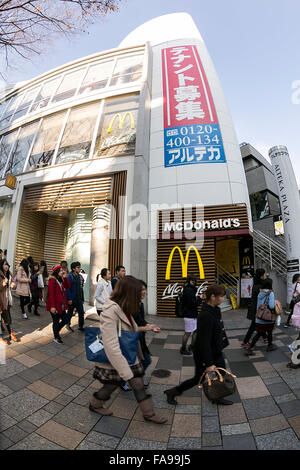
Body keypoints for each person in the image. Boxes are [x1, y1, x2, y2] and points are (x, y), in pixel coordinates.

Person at [89, 275, 167, 423]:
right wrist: (125, 372)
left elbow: (128, 328)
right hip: (116, 358)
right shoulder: (110, 310)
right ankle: (95, 404)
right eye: (138, 292)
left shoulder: (124, 306)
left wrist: (146, 327)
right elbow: (111, 344)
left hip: (128, 355)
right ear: (128, 292)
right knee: (112, 385)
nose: (141, 295)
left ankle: (149, 414)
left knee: (137, 384)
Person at [164, 285, 233, 406]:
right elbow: (204, 342)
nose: (223, 299)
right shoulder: (205, 315)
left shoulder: (215, 309)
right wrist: (209, 363)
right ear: (212, 297)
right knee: (198, 379)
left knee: (221, 374)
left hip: (215, 350)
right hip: (204, 353)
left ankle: (218, 396)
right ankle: (173, 392)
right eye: (221, 296)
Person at [134, 280, 161, 386]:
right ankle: (126, 381)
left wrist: (151, 325)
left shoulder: (140, 304)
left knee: (144, 360)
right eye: (142, 290)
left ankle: (137, 378)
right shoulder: (131, 306)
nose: (144, 292)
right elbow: (131, 327)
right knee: (145, 360)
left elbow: (141, 321)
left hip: (140, 338)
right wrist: (148, 328)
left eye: (145, 289)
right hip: (133, 339)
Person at [245, 278, 277, 355]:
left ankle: (250, 348)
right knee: (269, 332)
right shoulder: (270, 293)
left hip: (259, 318)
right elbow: (272, 306)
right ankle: (270, 346)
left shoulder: (260, 293)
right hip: (268, 318)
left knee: (259, 333)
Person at [242, 268, 267, 346]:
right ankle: (245, 342)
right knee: (254, 326)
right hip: (257, 309)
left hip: (256, 308)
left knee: (257, 324)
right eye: (264, 274)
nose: (265, 275)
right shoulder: (260, 286)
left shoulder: (256, 285)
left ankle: (264, 337)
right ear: (261, 276)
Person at [47, 264, 71, 344]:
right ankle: (56, 337)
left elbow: (68, 286)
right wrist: (53, 306)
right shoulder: (52, 281)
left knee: (65, 320)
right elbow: (51, 295)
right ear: (56, 272)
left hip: (61, 305)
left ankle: (56, 331)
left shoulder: (61, 280)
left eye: (62, 270)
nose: (62, 271)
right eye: (60, 270)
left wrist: (65, 278)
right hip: (54, 306)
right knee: (56, 321)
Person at [180, 274, 202, 356]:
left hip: (190, 314)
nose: (195, 283)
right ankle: (183, 349)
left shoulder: (188, 289)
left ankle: (191, 346)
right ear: (190, 281)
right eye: (194, 281)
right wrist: (200, 299)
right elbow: (192, 304)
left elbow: (191, 301)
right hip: (190, 315)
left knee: (195, 331)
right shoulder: (189, 290)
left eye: (195, 281)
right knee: (188, 333)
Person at [0, 259, 18, 344]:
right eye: (4, 264)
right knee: (6, 317)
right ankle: (9, 334)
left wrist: (13, 285)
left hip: (8, 299)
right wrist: (3, 283)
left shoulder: (9, 274)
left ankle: (9, 333)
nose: (6, 266)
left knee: (6, 317)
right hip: (1, 299)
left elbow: (12, 283)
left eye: (7, 264)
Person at [66, 261, 85, 332]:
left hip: (79, 298)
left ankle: (81, 326)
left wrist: (82, 298)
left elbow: (81, 288)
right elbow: (67, 289)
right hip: (72, 298)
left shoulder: (80, 276)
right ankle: (67, 324)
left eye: (80, 267)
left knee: (81, 312)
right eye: (78, 267)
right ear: (73, 269)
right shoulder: (69, 277)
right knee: (70, 312)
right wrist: (69, 299)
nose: (79, 269)